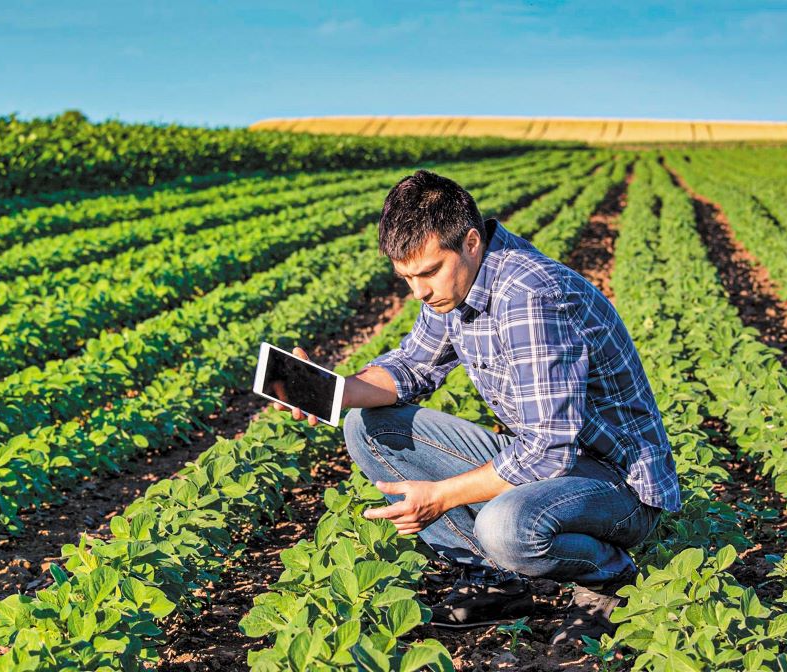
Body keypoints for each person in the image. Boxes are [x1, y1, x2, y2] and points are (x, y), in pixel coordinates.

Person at [273, 169, 680, 648]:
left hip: (617, 484)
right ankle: (495, 580)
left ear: (470, 242)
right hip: (550, 462)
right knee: (368, 426)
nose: (419, 292)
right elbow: (410, 367)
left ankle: (607, 580)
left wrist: (441, 496)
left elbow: (548, 453)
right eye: (406, 278)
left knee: (504, 526)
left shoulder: (531, 296)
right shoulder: (457, 285)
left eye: (427, 273)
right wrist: (330, 389)